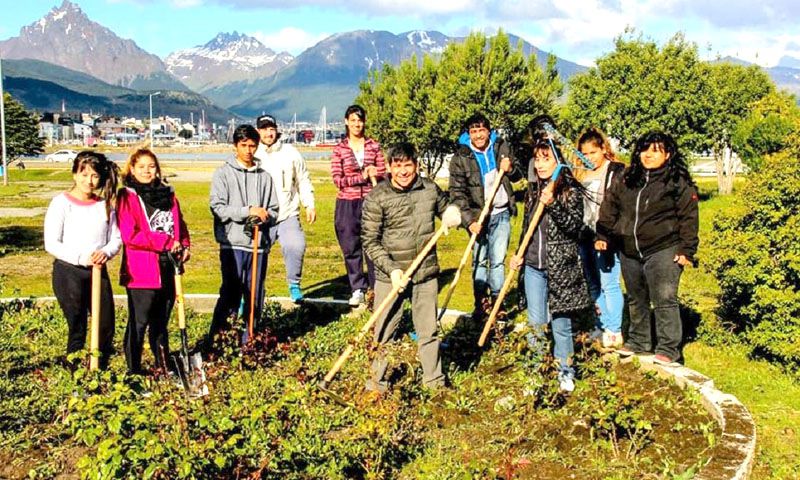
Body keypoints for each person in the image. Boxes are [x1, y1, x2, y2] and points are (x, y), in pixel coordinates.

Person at [361, 142, 461, 393]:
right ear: (389, 167)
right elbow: (369, 241)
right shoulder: (377, 197)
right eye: (398, 165)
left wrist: (452, 213)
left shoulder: (429, 189)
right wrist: (392, 269)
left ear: (416, 166)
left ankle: (434, 382)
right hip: (390, 277)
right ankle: (376, 385)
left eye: (408, 165)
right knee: (384, 332)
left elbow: (446, 205)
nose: (403, 171)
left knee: (428, 330)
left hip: (424, 273)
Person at [595, 131, 699, 366]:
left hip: (664, 247)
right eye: (644, 149)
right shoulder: (627, 178)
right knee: (636, 297)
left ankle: (668, 349)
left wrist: (686, 249)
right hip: (629, 249)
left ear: (668, 154)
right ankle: (640, 341)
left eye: (655, 150)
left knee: (664, 298)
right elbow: (610, 206)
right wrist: (603, 234)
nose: (648, 155)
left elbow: (689, 216)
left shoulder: (677, 181)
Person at [510, 139, 591, 393]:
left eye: (547, 158)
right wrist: (518, 255)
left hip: (561, 268)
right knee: (535, 323)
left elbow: (575, 227)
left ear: (558, 162)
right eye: (538, 159)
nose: (541, 165)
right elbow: (527, 229)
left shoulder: (571, 191)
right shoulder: (534, 191)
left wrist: (553, 203)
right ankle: (535, 371)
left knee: (561, 324)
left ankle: (565, 371)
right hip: (534, 265)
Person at [43, 151, 121, 369]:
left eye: (94, 176)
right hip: (69, 272)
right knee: (77, 322)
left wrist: (105, 252)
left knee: (105, 324)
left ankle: (99, 367)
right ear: (74, 175)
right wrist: (81, 258)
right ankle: (74, 368)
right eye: (84, 174)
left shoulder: (104, 205)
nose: (89, 180)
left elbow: (115, 238)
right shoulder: (61, 203)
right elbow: (52, 243)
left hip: (97, 272)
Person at [116, 148, 191, 374]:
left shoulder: (168, 195)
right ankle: (134, 369)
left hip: (168, 266)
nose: (147, 171)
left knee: (161, 322)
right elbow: (130, 235)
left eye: (151, 166)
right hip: (141, 270)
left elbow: (179, 224)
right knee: (139, 322)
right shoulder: (127, 196)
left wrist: (184, 245)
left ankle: (163, 364)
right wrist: (165, 242)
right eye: (141, 167)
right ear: (132, 169)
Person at [208, 125, 279, 342]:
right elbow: (218, 207)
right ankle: (220, 340)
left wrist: (265, 217)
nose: (248, 150)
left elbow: (275, 210)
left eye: (252, 146)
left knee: (255, 295)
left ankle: (249, 340)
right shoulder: (223, 173)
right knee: (231, 293)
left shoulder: (265, 177)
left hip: (258, 245)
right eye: (244, 145)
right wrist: (246, 212)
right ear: (235, 146)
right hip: (233, 244)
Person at [448, 112, 522, 321]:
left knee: (497, 261)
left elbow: (517, 176)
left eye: (482, 130)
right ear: (468, 134)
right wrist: (469, 221)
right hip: (477, 218)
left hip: (500, 213)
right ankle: (481, 304)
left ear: (488, 131)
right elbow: (457, 193)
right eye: (474, 131)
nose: (478, 135)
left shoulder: (501, 147)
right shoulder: (461, 157)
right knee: (479, 262)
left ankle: (498, 304)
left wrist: (510, 169)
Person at [254, 114, 316, 303]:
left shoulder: (290, 152)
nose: (268, 133)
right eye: (264, 129)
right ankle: (250, 292)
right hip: (261, 216)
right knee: (255, 253)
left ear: (277, 130)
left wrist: (309, 204)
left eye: (271, 129)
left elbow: (303, 178)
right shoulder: (253, 153)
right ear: (258, 131)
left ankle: (294, 285)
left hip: (287, 213)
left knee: (296, 245)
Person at [575, 128, 626, 349]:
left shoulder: (616, 171)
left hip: (607, 235)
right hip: (585, 234)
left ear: (604, 149)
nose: (589, 158)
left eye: (593, 153)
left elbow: (620, 206)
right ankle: (602, 324)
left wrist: (606, 233)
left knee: (609, 283)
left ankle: (614, 330)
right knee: (592, 283)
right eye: (584, 154)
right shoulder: (580, 174)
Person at [330, 104, 386, 307]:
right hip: (347, 203)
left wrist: (376, 174)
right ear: (346, 122)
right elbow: (338, 180)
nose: (357, 124)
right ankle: (357, 288)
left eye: (360, 120)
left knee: (373, 244)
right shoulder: (339, 149)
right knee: (351, 246)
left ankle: (376, 288)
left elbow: (384, 174)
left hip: (371, 202)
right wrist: (359, 177)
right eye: (353, 120)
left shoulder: (374, 146)